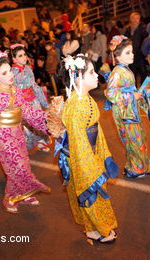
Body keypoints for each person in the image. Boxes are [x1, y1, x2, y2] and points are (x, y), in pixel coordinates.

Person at [54, 54, 119, 243]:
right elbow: (78, 143)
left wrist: (104, 154)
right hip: (80, 156)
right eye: (91, 72)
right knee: (92, 193)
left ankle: (93, 228)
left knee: (94, 194)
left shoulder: (85, 98)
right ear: (78, 78)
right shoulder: (75, 106)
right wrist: (89, 168)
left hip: (90, 152)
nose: (96, 75)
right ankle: (100, 229)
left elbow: (95, 128)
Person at [0, 51, 51, 214]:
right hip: (3, 140)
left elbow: (29, 112)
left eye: (9, 70)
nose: (10, 74)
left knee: (22, 165)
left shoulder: (15, 92)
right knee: (16, 167)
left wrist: (48, 118)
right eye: (4, 73)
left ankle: (23, 194)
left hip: (18, 136)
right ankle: (9, 197)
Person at [105, 35, 150, 179]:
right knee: (134, 140)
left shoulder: (126, 70)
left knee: (139, 138)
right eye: (128, 52)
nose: (132, 54)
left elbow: (133, 92)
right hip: (124, 112)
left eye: (132, 51)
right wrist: (131, 97)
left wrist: (146, 93)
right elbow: (110, 94)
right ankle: (136, 168)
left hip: (130, 110)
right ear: (118, 56)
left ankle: (141, 166)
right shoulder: (117, 73)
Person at [10, 44, 50, 152]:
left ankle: (41, 143)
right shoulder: (11, 73)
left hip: (34, 101)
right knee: (27, 129)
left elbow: (34, 86)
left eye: (24, 54)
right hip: (23, 105)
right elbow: (12, 91)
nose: (24, 57)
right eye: (20, 55)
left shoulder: (28, 69)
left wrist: (45, 103)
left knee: (40, 123)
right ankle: (23, 150)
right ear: (14, 59)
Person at [124, 12, 149, 85]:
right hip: (131, 53)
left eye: (137, 18)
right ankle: (133, 88)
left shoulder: (143, 29)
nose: (135, 20)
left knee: (142, 71)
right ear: (131, 19)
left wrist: (145, 53)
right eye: (133, 18)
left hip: (140, 54)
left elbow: (146, 41)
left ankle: (142, 88)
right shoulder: (128, 29)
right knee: (132, 72)